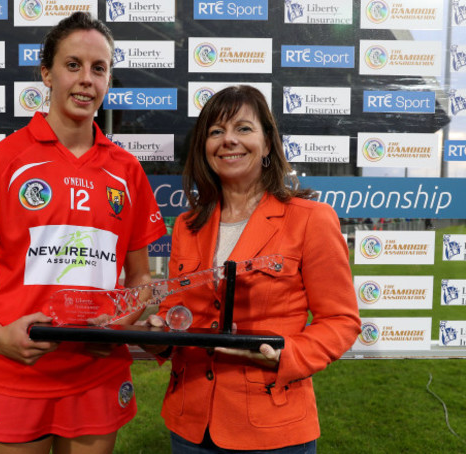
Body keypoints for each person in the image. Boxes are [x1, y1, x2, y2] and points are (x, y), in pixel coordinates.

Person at [0, 12, 166, 454]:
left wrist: (120, 327)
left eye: (99, 68)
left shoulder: (127, 171)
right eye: (73, 65)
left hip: (96, 370)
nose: (86, 80)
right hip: (17, 367)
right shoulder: (4, 160)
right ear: (46, 72)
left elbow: (140, 279)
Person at [143, 85, 361, 453]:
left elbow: (341, 321)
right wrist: (161, 330)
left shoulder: (311, 219)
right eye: (215, 132)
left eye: (243, 129)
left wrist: (286, 355)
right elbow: (176, 311)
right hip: (190, 424)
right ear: (204, 148)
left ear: (268, 144)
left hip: (273, 426)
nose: (228, 140)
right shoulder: (186, 225)